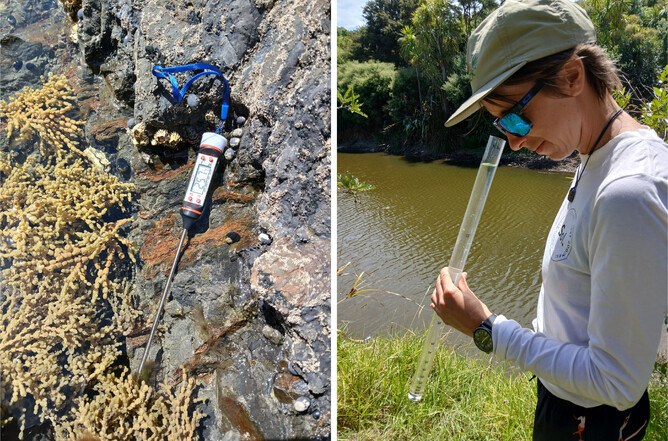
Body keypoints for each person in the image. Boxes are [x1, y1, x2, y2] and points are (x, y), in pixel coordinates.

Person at [431, 0, 668, 439]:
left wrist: (487, 328)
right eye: (504, 127)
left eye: (517, 118)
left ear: (572, 76)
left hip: (592, 423)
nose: (515, 143)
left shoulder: (628, 191)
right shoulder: (595, 157)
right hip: (565, 404)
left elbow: (617, 382)